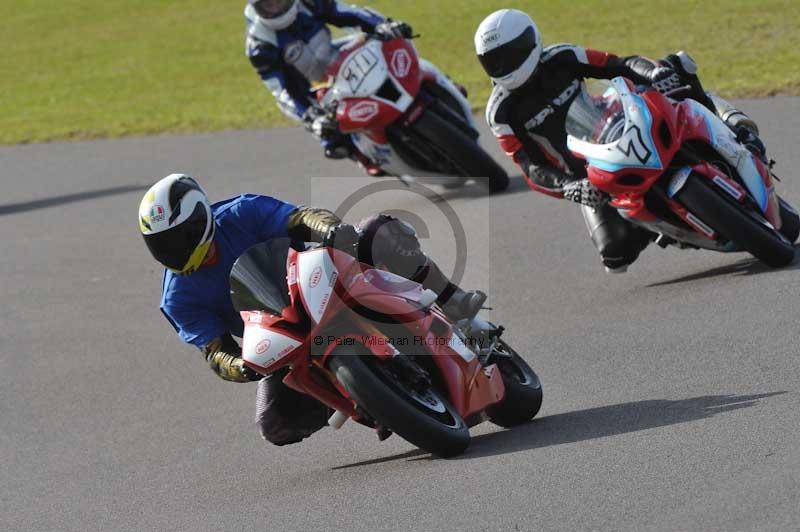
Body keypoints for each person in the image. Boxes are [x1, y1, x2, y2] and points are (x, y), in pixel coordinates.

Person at [138, 173, 486, 445]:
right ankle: (375, 403)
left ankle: (453, 300)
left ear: (202, 218)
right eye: (161, 245)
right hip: (281, 336)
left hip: (320, 283)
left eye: (180, 237)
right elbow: (215, 351)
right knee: (274, 424)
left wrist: (332, 229)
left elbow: (300, 218)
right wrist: (241, 366)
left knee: (376, 232)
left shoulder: (242, 212)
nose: (173, 250)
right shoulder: (177, 298)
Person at [474, 9, 767, 272]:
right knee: (615, 254)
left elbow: (620, 64)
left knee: (677, 66)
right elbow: (529, 166)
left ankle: (735, 127)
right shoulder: (500, 112)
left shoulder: (564, 56)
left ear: (529, 43)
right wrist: (571, 186)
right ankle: (669, 227)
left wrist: (654, 72)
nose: (502, 66)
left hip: (617, 124)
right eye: (492, 61)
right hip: (590, 176)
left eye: (508, 56)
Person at [244, 0, 413, 174]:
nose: (276, 7)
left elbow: (351, 14)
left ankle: (432, 82)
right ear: (257, 8)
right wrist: (309, 116)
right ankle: (364, 156)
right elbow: (280, 90)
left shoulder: (309, 3)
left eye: (279, 0)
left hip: (335, 56)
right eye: (268, 4)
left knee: (391, 43)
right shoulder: (260, 45)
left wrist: (383, 25)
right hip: (311, 87)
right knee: (328, 133)